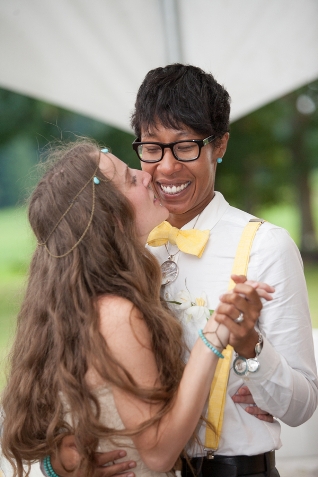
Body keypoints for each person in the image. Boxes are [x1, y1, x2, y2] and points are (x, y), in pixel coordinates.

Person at [0, 139, 267, 477]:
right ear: (111, 218)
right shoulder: (116, 313)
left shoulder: (83, 303)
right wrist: (213, 336)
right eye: (129, 179)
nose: (145, 176)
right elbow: (157, 452)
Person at [129, 63, 318, 476]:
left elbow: (302, 405)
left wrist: (252, 349)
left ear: (220, 145)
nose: (166, 167)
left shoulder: (265, 246)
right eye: (152, 147)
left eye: (185, 146)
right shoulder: (130, 247)